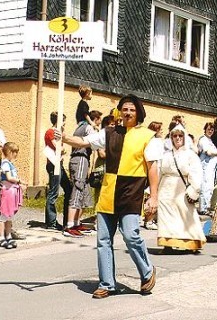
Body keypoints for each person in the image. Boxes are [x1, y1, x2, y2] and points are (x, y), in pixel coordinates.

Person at [59, 94, 159, 299]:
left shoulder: (148, 136)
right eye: (125, 109)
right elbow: (84, 142)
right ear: (120, 112)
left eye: (132, 109)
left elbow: (153, 169)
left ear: (138, 112)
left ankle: (147, 271)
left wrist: (154, 196)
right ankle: (107, 283)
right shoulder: (108, 132)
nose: (128, 112)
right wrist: (65, 138)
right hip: (108, 192)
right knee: (104, 240)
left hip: (131, 192)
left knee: (131, 235)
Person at [156, 124, 205, 253]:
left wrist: (194, 189)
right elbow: (159, 172)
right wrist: (153, 191)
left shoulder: (190, 155)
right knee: (165, 216)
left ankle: (191, 242)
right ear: (171, 138)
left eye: (180, 135)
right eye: (175, 136)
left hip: (181, 188)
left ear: (184, 137)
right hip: (165, 190)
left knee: (186, 216)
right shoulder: (165, 155)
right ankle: (167, 244)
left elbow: (196, 172)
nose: (177, 138)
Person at [64, 110, 102, 238]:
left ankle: (76, 222)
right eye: (99, 121)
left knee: (83, 190)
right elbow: (95, 144)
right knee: (78, 189)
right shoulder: (89, 128)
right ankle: (70, 225)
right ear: (95, 119)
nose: (99, 124)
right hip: (80, 158)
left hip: (78, 159)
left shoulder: (79, 127)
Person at [44, 112, 72, 231]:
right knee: (53, 193)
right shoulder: (51, 132)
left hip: (58, 164)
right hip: (53, 164)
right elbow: (58, 148)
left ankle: (67, 220)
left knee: (69, 189)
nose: (65, 123)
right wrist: (62, 148)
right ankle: (51, 222)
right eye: (64, 120)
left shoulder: (58, 133)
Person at [0, 142, 25, 249]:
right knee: (4, 215)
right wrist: (19, 181)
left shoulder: (9, 163)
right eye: (14, 152)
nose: (16, 155)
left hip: (12, 191)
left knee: (9, 216)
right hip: (7, 191)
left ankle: (8, 236)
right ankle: (1, 238)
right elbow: (9, 177)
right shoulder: (5, 164)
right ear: (9, 152)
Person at [197, 122, 217, 215]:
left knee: (210, 187)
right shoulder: (203, 140)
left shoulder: (211, 140)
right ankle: (203, 208)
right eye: (209, 129)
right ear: (205, 129)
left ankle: (207, 207)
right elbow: (209, 152)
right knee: (204, 187)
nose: (210, 131)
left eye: (212, 130)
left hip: (212, 168)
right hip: (205, 166)